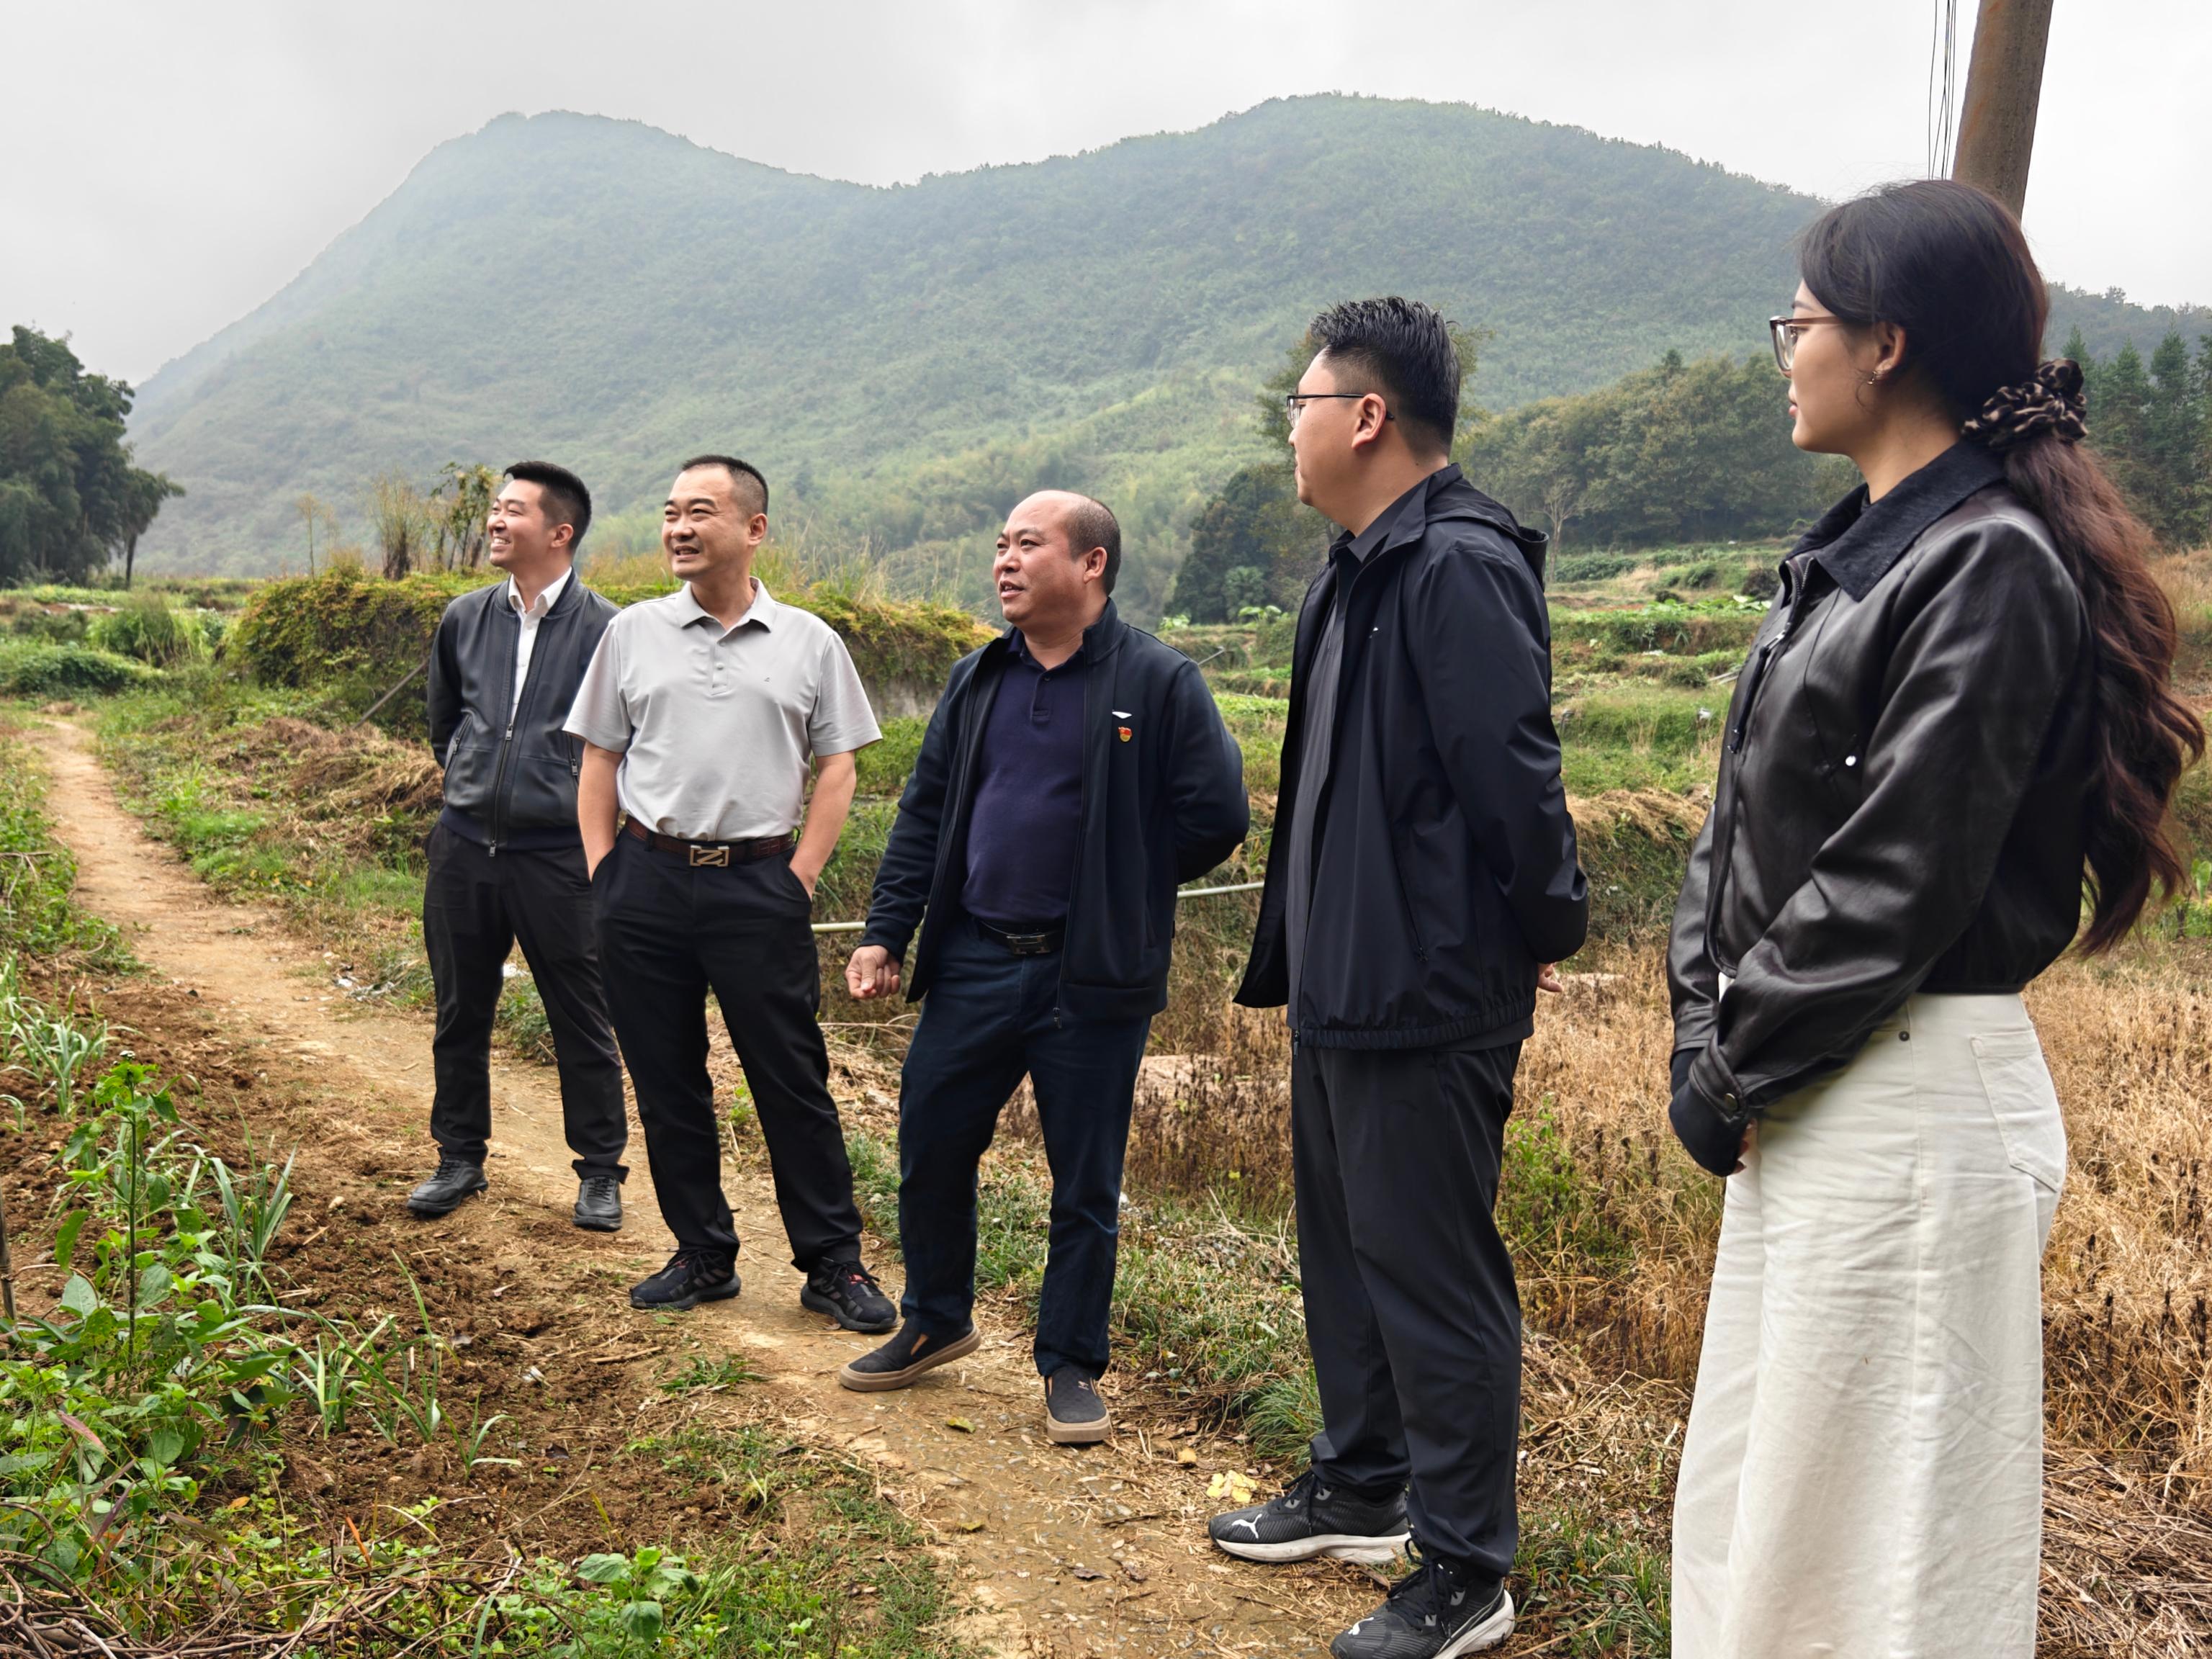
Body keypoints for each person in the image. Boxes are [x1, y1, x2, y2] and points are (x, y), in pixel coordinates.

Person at [1665, 181, 2203, 1658]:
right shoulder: (1859, 556)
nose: (1787, 349)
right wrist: (1706, 1029)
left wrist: (1723, 1069)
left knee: (1884, 1562)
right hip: (1820, 1086)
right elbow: (1731, 841)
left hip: (1899, 1101)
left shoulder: (1983, 566)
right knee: (1760, 1525)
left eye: (1804, 321)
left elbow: (1892, 882)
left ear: (1886, 344)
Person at [1210, 297, 1586, 1659]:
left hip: (1427, 985)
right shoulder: (1348, 568)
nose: (1290, 432)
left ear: (1366, 416)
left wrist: (1541, 930)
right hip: (1341, 978)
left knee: (1431, 1273)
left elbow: (1513, 775)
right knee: (1348, 1254)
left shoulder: (1455, 565)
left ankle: (1465, 1561)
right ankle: (1359, 1480)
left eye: (1302, 406)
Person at [837, 492, 1247, 1444]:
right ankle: (936, 1319)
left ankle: (1070, 1364)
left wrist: (1120, 883)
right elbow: (924, 817)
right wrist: (883, 932)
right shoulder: (977, 678)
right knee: (932, 1145)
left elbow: (1216, 816)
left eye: (1028, 544)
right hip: (976, 956)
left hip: (1089, 976)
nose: (1004, 562)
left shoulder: (1158, 680)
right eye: (1000, 546)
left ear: (1091, 563)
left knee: (1083, 1183)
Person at [565, 454, 896, 1330]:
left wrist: (800, 876)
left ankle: (833, 1263)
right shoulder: (632, 632)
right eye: (671, 511)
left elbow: (838, 765)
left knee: (790, 1078)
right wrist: (606, 874)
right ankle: (703, 1251)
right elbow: (598, 759)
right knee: (667, 1076)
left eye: (699, 512)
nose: (678, 527)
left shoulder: (809, 641)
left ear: (752, 530)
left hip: (758, 884)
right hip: (646, 881)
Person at [409, 462, 629, 1231]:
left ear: (559, 532)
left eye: (512, 512)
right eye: (495, 511)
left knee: (583, 1016)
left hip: (561, 856)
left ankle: (601, 1172)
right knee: (460, 1008)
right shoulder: (464, 617)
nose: (495, 523)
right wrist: (473, 777)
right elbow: (446, 724)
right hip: (465, 846)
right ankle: (459, 1158)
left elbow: (628, 745)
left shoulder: (611, 631)